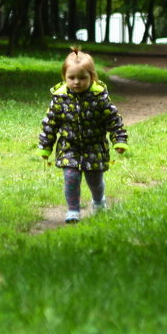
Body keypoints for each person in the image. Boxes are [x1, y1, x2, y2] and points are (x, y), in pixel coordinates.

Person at [38, 46, 129, 223]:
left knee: (94, 180)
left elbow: (113, 120)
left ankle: (98, 201)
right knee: (71, 178)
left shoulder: (99, 98)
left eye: (82, 78)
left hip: (94, 146)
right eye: (71, 78)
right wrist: (45, 146)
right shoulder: (60, 99)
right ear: (64, 77)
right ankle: (73, 210)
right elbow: (50, 123)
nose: (77, 82)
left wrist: (119, 140)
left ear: (92, 77)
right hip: (69, 147)